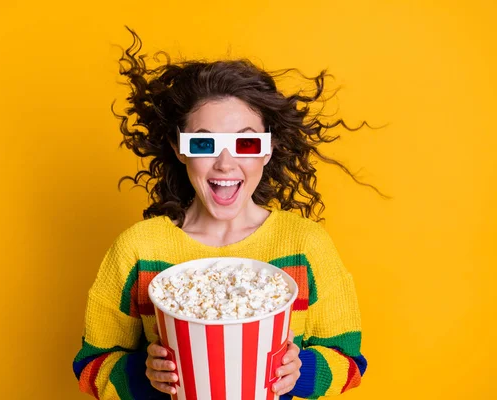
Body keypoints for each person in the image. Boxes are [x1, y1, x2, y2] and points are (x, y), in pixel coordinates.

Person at [73, 28, 381, 399]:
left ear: (267, 150)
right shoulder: (139, 250)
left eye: (246, 142)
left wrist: (301, 371)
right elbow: (90, 365)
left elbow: (349, 363)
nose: (225, 163)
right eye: (204, 143)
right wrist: (143, 374)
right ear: (179, 148)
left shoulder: (305, 245)